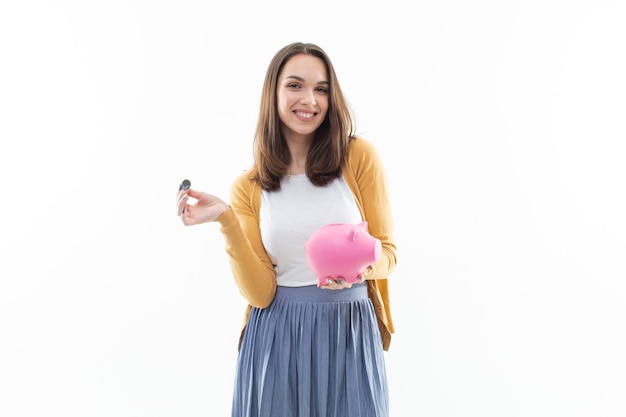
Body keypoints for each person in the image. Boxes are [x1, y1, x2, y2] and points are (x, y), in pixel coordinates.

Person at [176, 42, 397, 417]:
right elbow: (261, 294)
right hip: (277, 335)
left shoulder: (359, 158)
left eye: (321, 89)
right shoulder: (249, 186)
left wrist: (359, 268)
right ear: (274, 93)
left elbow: (388, 253)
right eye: (295, 85)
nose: (309, 99)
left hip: (349, 333)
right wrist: (227, 222)